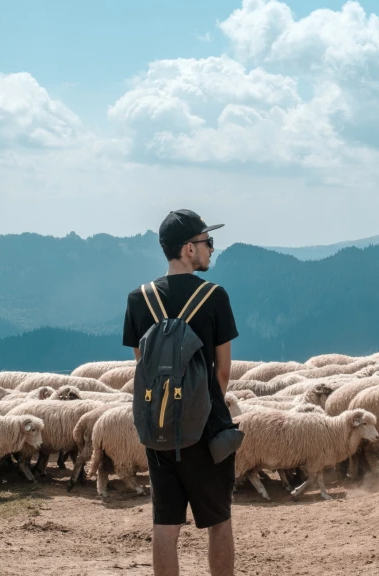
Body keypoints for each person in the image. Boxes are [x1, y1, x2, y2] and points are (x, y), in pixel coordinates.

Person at [122, 209, 239, 576]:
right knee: (218, 521)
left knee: (165, 524)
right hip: (205, 431)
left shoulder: (138, 299)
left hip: (158, 429)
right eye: (207, 242)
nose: (211, 249)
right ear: (189, 249)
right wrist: (201, 411)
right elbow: (222, 371)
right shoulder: (214, 296)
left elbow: (143, 366)